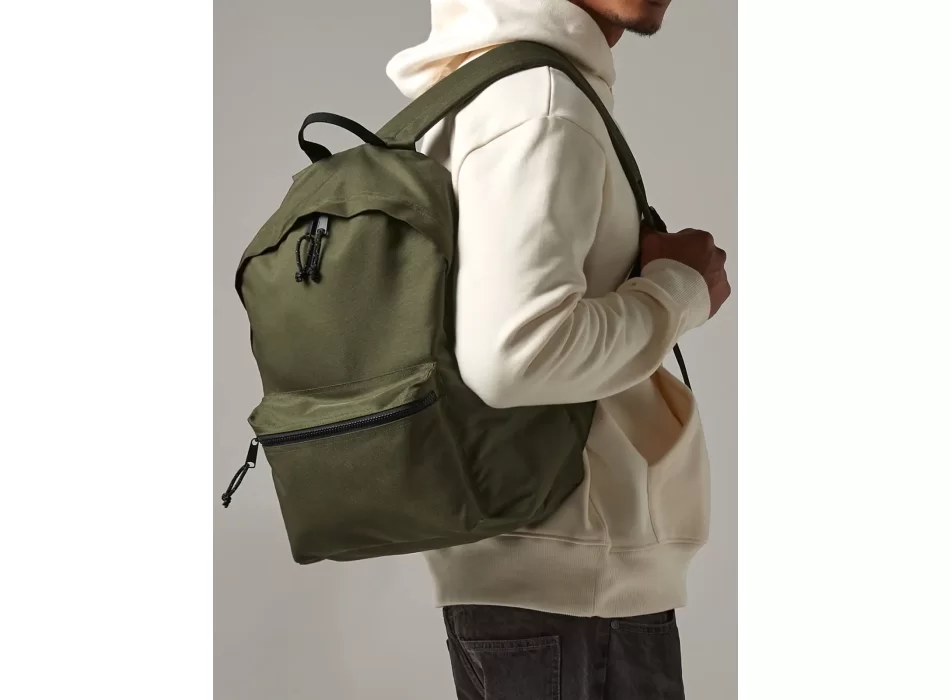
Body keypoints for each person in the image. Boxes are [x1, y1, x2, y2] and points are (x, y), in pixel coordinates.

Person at [387, 0, 731, 697]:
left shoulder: (480, 85)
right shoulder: (540, 101)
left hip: (536, 569)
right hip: (578, 588)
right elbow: (515, 356)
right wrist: (679, 290)